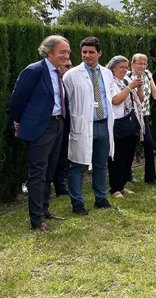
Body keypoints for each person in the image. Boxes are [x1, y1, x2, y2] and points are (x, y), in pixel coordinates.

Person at [10, 35, 71, 231]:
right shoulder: (34, 70)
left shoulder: (58, 72)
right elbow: (18, 100)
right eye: (63, 52)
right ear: (49, 51)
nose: (66, 55)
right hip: (40, 129)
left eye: (68, 52)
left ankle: (44, 210)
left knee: (50, 171)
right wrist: (20, 122)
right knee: (38, 173)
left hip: (57, 124)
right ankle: (36, 220)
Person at [63, 36, 116, 215]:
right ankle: (77, 203)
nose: (87, 55)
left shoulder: (107, 73)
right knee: (78, 165)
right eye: (84, 52)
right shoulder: (71, 75)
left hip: (103, 124)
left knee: (101, 164)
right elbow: (65, 101)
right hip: (83, 126)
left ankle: (101, 198)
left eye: (91, 52)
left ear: (99, 53)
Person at [128, 53, 156, 185]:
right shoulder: (128, 76)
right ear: (132, 63)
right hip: (131, 117)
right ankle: (127, 176)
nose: (142, 66)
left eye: (144, 63)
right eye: (139, 63)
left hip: (144, 115)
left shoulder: (147, 74)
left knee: (149, 144)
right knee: (129, 147)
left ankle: (151, 178)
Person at [107, 56, 144, 199]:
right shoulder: (110, 82)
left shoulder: (127, 80)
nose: (124, 70)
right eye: (121, 67)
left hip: (130, 120)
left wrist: (138, 86)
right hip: (117, 122)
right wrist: (130, 87)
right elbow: (115, 100)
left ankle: (122, 185)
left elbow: (140, 98)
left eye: (126, 67)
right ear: (113, 68)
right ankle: (114, 187)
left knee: (128, 155)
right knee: (117, 156)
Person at [52, 59, 73, 197]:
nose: (69, 68)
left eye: (71, 65)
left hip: (65, 124)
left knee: (62, 155)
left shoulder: (66, 82)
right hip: (52, 124)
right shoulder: (54, 81)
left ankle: (60, 186)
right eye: (67, 66)